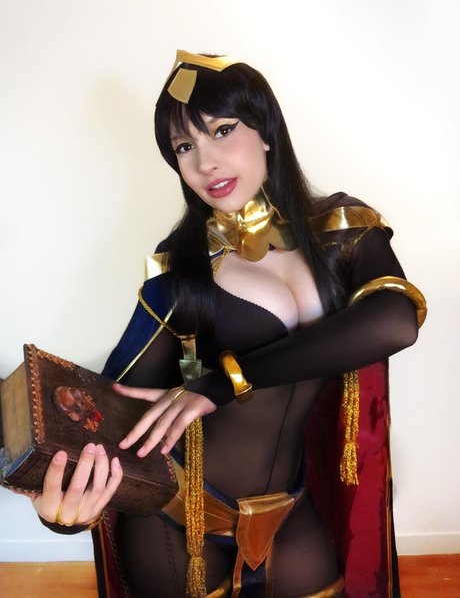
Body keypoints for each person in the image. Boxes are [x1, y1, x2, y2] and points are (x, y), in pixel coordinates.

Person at [30, 50, 426, 598]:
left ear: (266, 131)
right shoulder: (182, 265)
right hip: (181, 517)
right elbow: (113, 402)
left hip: (290, 512)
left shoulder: (343, 228)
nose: (205, 162)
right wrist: (62, 507)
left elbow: (396, 322)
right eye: (184, 147)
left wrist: (221, 383)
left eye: (222, 131)